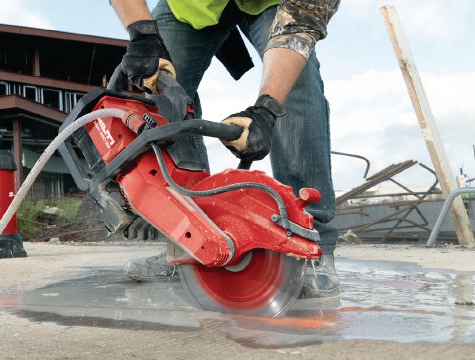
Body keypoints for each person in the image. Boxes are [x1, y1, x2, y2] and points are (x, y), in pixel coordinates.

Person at [110, 0, 340, 299]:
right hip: (190, 5)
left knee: (298, 85)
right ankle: (188, 239)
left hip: (272, 3)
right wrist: (142, 35)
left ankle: (311, 244)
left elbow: (302, 19)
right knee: (160, 91)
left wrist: (267, 109)